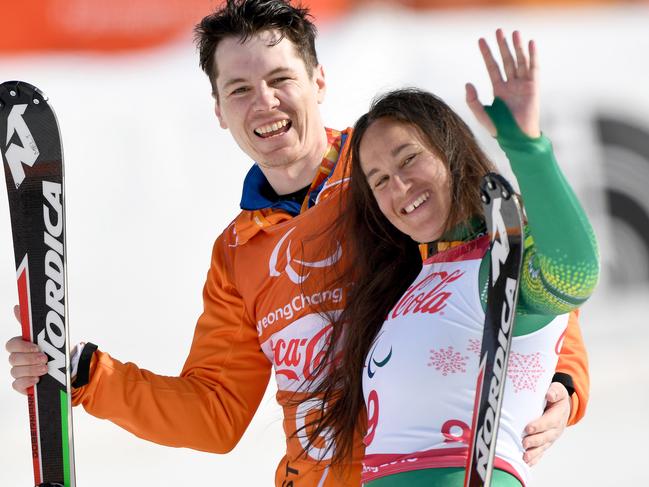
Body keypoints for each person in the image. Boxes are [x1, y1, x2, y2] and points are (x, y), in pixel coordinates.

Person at [5, 1, 590, 485]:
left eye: (280, 79)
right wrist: (88, 376)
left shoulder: (390, 175)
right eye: (239, 89)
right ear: (218, 111)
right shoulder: (237, 253)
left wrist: (563, 381)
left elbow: (509, 264)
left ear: (318, 81)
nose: (264, 102)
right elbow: (215, 414)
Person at [303, 30, 599, 486]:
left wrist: (527, 147)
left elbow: (572, 273)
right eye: (379, 179)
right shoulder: (411, 284)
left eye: (408, 160)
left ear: (450, 152)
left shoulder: (496, 265)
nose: (398, 188)